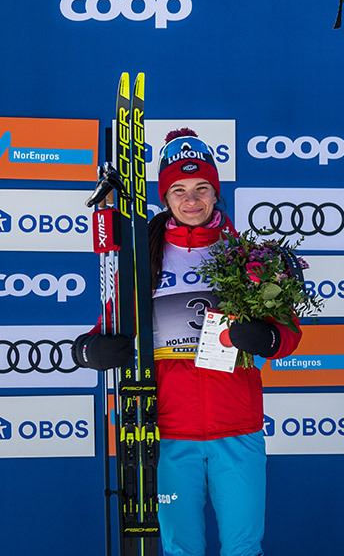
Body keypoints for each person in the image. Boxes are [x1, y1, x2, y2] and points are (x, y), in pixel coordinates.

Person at [72, 128, 302, 556]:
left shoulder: (245, 254)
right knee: (181, 548)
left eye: (201, 188)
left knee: (244, 546)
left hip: (238, 427)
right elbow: (105, 325)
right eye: (178, 189)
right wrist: (89, 350)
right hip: (169, 430)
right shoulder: (144, 256)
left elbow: (287, 333)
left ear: (216, 193)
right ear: (165, 197)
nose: (191, 200)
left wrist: (267, 337)